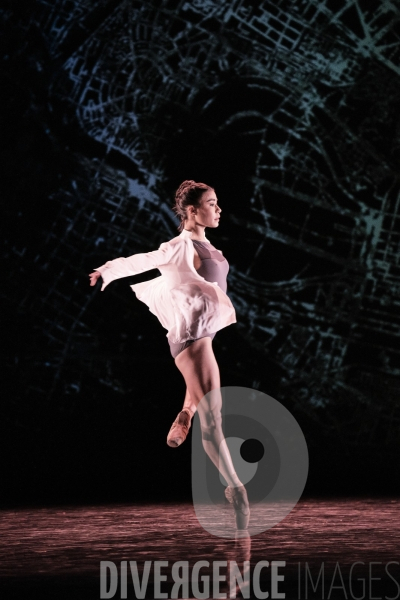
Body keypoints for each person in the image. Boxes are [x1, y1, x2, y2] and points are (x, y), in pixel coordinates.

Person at [89, 180, 249, 529]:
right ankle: (236, 487)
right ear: (192, 211)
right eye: (212, 203)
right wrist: (108, 270)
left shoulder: (206, 243)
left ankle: (185, 412)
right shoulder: (179, 245)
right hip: (192, 339)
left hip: (201, 336)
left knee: (205, 405)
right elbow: (145, 260)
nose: (218, 209)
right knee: (215, 416)